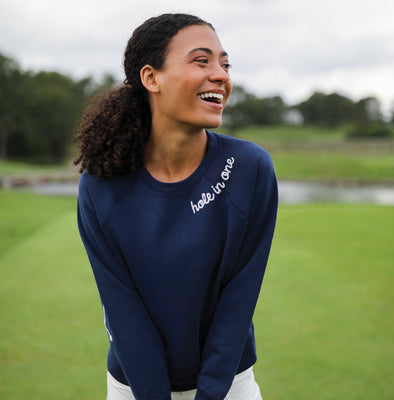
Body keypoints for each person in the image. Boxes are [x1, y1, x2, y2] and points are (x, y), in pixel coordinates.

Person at [75, 13, 278, 400]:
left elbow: (239, 298)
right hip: (131, 386)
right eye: (202, 61)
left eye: (224, 63)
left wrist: (212, 392)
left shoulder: (251, 168)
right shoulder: (100, 184)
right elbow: (122, 310)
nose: (220, 74)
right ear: (151, 78)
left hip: (231, 385)